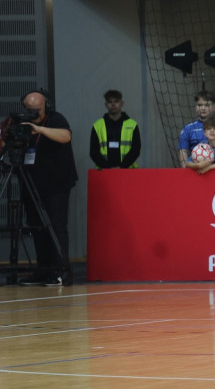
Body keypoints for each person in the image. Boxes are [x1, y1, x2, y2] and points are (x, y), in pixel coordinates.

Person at [16, 91, 77, 287]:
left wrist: (39, 129)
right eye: (29, 110)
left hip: (56, 184)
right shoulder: (21, 123)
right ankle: (42, 270)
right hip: (32, 184)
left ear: (46, 107)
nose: (33, 114)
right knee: (37, 228)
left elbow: (66, 136)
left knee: (57, 227)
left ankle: (60, 271)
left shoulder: (56, 119)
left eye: (37, 111)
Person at [178, 90, 215, 168]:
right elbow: (183, 151)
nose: (203, 108)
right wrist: (186, 171)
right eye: (200, 105)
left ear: (214, 107)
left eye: (207, 105)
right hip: (197, 172)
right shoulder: (187, 129)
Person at [89, 89, 141, 169]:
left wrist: (122, 167)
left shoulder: (133, 125)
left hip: (127, 171)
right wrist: (107, 168)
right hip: (104, 172)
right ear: (106, 104)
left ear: (122, 103)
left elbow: (136, 149)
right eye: (110, 102)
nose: (113, 104)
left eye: (116, 101)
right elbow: (94, 152)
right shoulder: (97, 126)